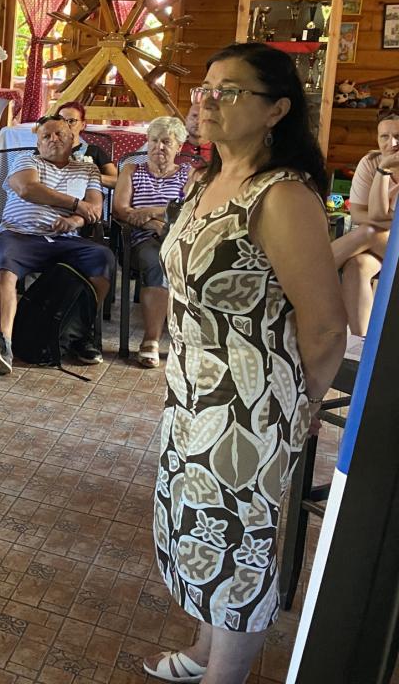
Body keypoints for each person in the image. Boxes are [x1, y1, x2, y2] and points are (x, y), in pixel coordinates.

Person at [144, 43, 345, 684]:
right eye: (206, 87)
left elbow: (325, 325)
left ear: (276, 110)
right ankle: (205, 651)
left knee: (239, 546)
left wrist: (300, 405)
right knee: (197, 527)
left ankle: (222, 676)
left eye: (229, 91)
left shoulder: (281, 197)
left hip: (248, 405)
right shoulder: (206, 180)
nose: (208, 100)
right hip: (191, 392)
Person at [0, 116, 112, 373]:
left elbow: (94, 209)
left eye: (59, 134)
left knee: (103, 258)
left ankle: (82, 334)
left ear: (73, 140)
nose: (52, 139)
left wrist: (74, 220)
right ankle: (4, 344)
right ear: (38, 144)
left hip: (66, 240)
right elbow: (28, 189)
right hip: (20, 234)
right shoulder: (27, 160)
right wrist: (75, 204)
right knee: (5, 270)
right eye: (46, 136)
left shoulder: (88, 170)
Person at [112, 115, 192, 367]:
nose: (159, 146)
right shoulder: (132, 170)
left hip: (179, 237)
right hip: (142, 239)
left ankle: (194, 339)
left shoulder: (188, 174)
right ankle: (151, 341)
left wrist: (153, 212)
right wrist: (152, 224)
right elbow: (120, 209)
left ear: (179, 146)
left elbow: (189, 209)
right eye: (154, 140)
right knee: (157, 261)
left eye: (166, 141)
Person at [331, 110, 399, 337]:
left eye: (398, 136)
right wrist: (383, 169)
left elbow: (375, 215)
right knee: (357, 266)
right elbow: (358, 213)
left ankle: (303, 277)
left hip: (389, 243)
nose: (392, 143)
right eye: (384, 136)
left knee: (369, 232)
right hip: (384, 245)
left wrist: (384, 171)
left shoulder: (380, 165)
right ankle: (361, 339)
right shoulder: (371, 162)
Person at [57, 101, 118, 188]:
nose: (66, 125)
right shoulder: (47, 150)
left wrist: (88, 176)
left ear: (83, 125)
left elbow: (117, 181)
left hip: (88, 195)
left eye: (71, 121)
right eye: (61, 121)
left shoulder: (94, 151)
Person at [178, 102, 212, 169]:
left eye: (204, 117)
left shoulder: (220, 152)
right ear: (186, 120)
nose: (198, 122)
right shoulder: (174, 148)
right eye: (194, 116)